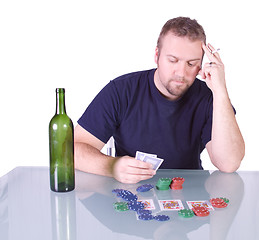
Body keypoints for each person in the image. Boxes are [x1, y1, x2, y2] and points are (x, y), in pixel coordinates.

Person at [74, 17, 245, 184]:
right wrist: (111, 167)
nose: (181, 72)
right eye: (173, 60)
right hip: (131, 192)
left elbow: (229, 163)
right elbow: (73, 149)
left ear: (201, 65)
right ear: (157, 56)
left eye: (191, 64)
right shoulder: (121, 91)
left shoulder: (209, 98)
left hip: (187, 192)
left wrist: (220, 90)